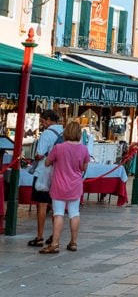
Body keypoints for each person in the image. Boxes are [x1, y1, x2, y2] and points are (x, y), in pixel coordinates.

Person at [40, 120, 90, 254]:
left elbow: (47, 162)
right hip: (75, 185)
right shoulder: (84, 149)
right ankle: (73, 242)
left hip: (59, 185)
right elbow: (84, 167)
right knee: (74, 213)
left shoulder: (59, 148)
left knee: (58, 214)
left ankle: (55, 243)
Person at [27, 109, 64, 248]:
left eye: (43, 120)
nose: (42, 123)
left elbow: (40, 154)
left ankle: (40, 236)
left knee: (41, 205)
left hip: (44, 173)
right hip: (58, 173)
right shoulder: (64, 132)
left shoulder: (47, 134)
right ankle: (55, 235)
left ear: (48, 119)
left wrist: (34, 158)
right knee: (56, 206)